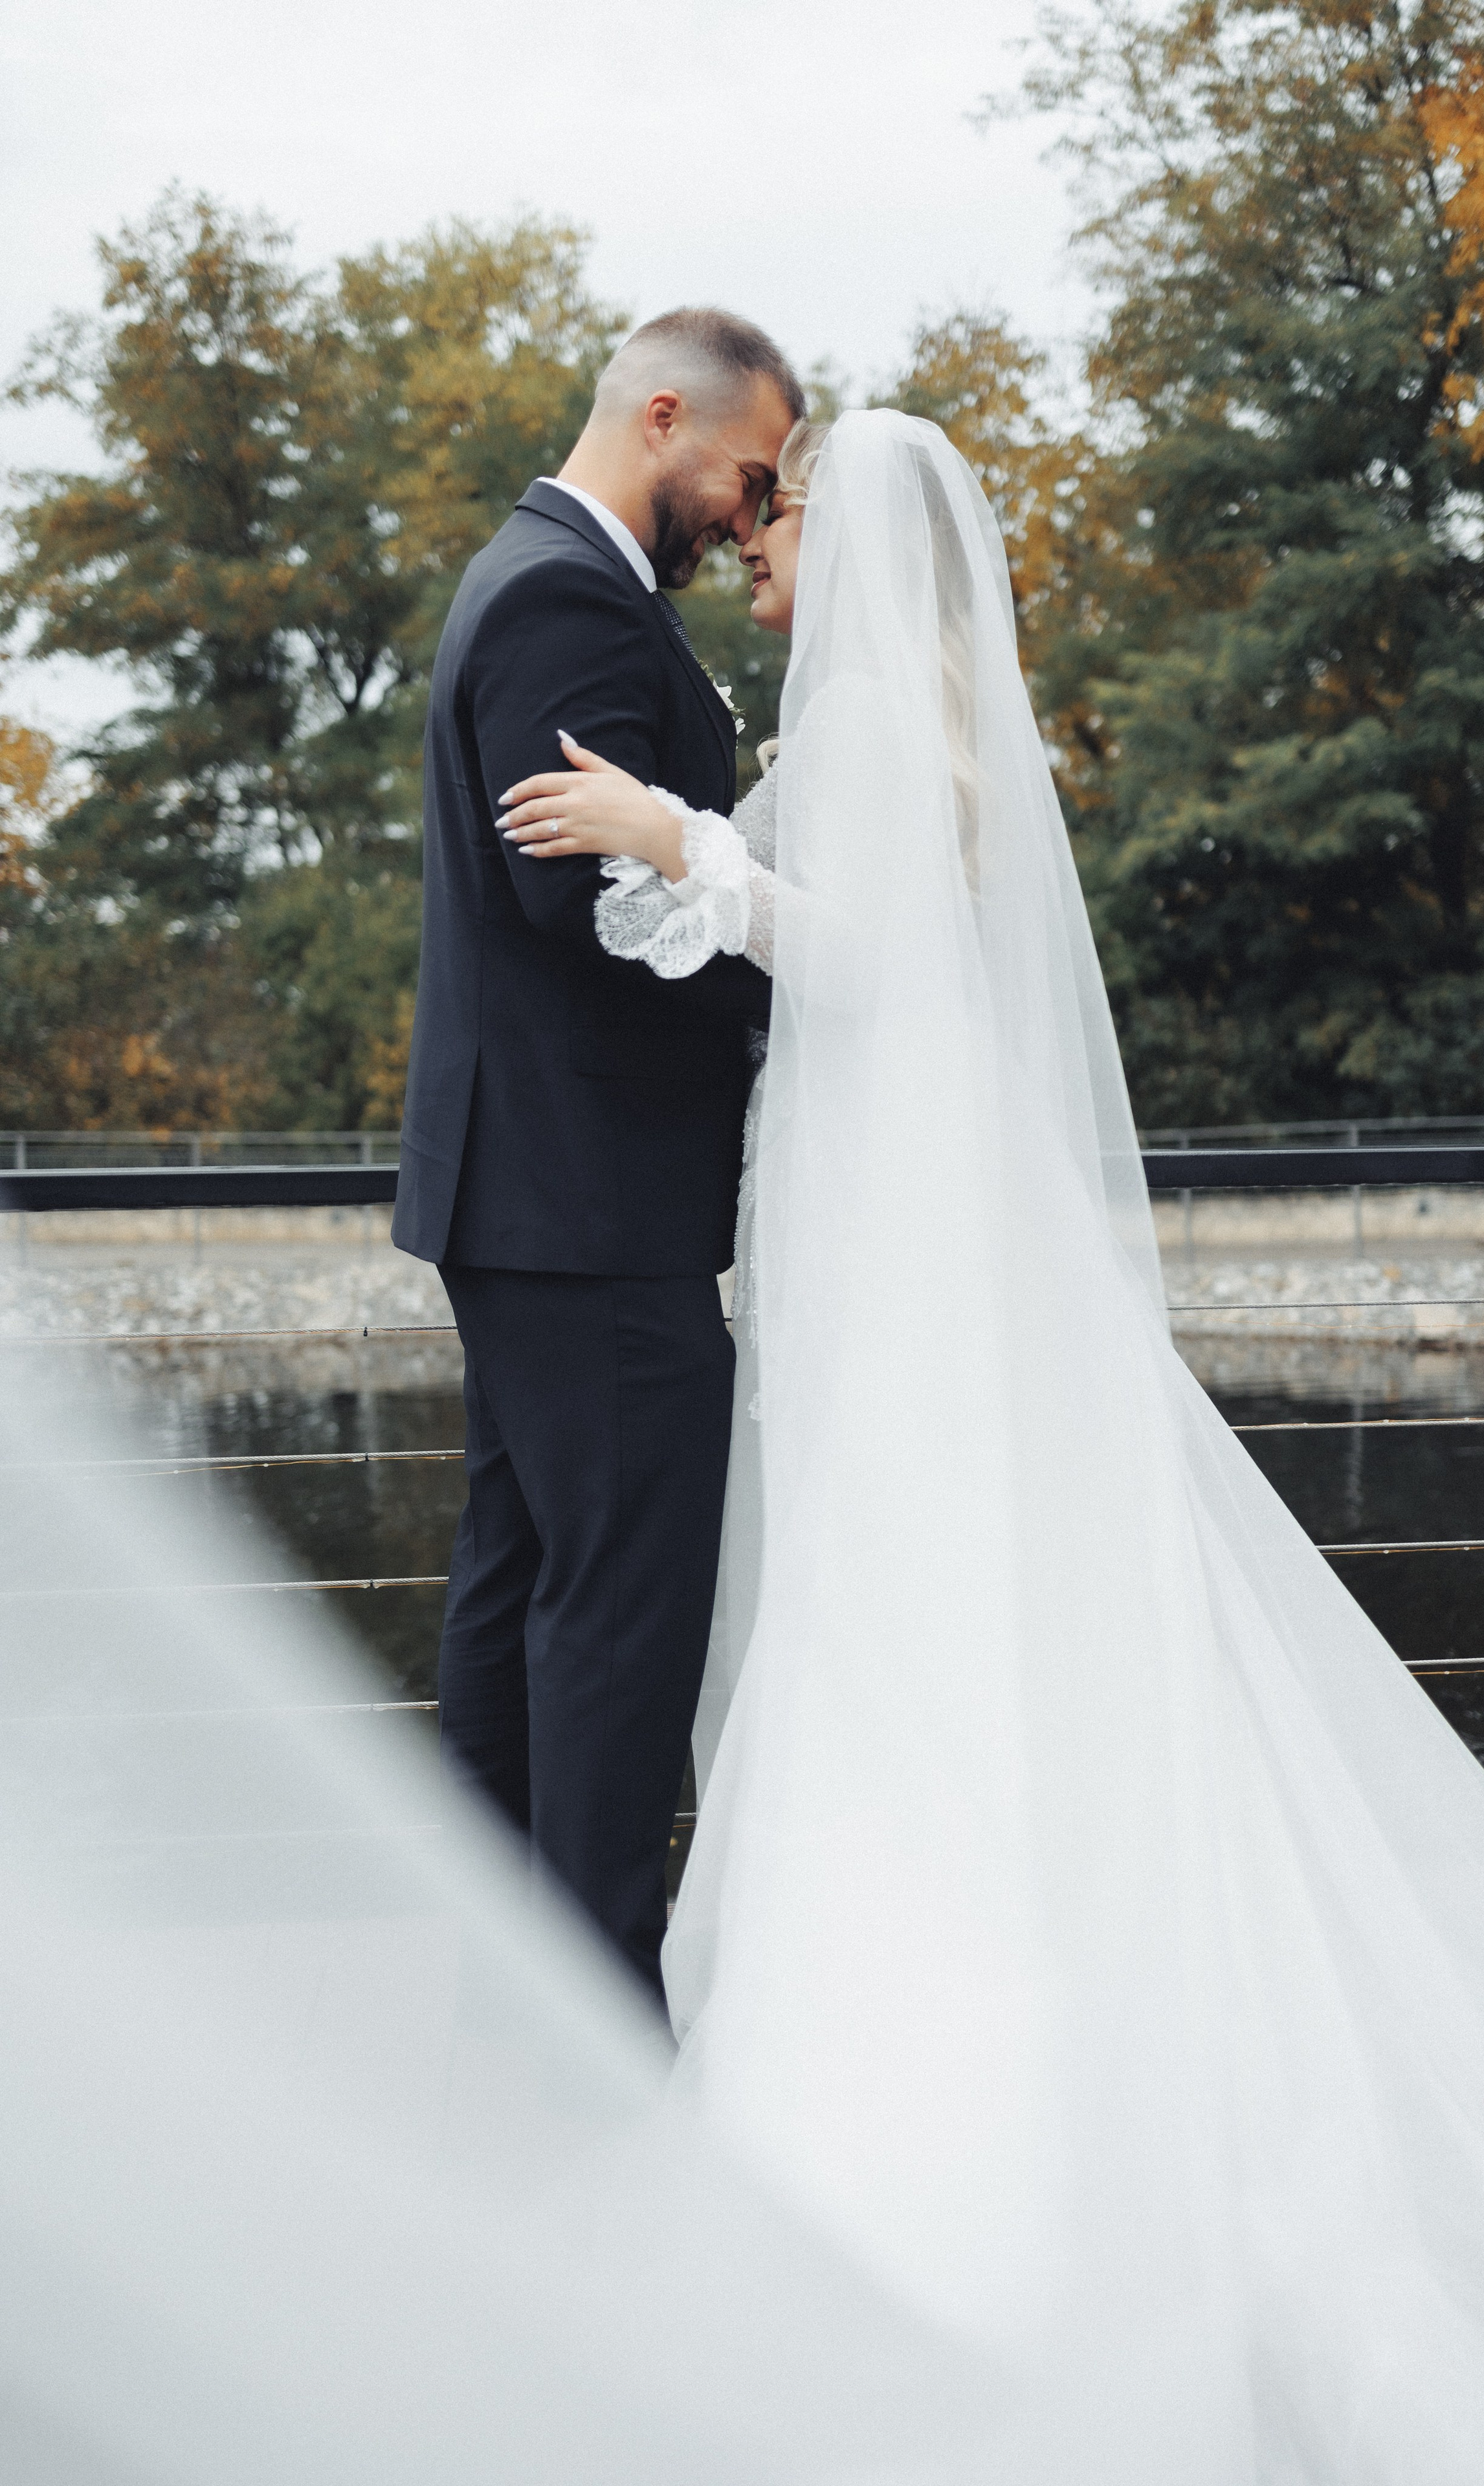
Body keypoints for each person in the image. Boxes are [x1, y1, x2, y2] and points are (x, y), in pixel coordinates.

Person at [498, 409, 1484, 2476]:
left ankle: (907, 2131)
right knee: (956, 1595)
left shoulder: (860, 712)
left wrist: (683, 845)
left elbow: (865, 958)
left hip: (903, 1219)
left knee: (900, 1601)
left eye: (781, 527)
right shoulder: (928, 722)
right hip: (914, 1198)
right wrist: (702, 854)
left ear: (847, 551)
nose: (756, 555)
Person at [391, 309, 801, 2004]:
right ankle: (599, 2013)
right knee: (617, 1618)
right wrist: (717, 856)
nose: (753, 510)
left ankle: (512, 1986)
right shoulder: (566, 595)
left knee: (524, 1589)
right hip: (589, 1202)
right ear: (662, 416)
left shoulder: (543, 571)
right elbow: (578, 900)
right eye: (749, 470)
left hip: (537, 1194)